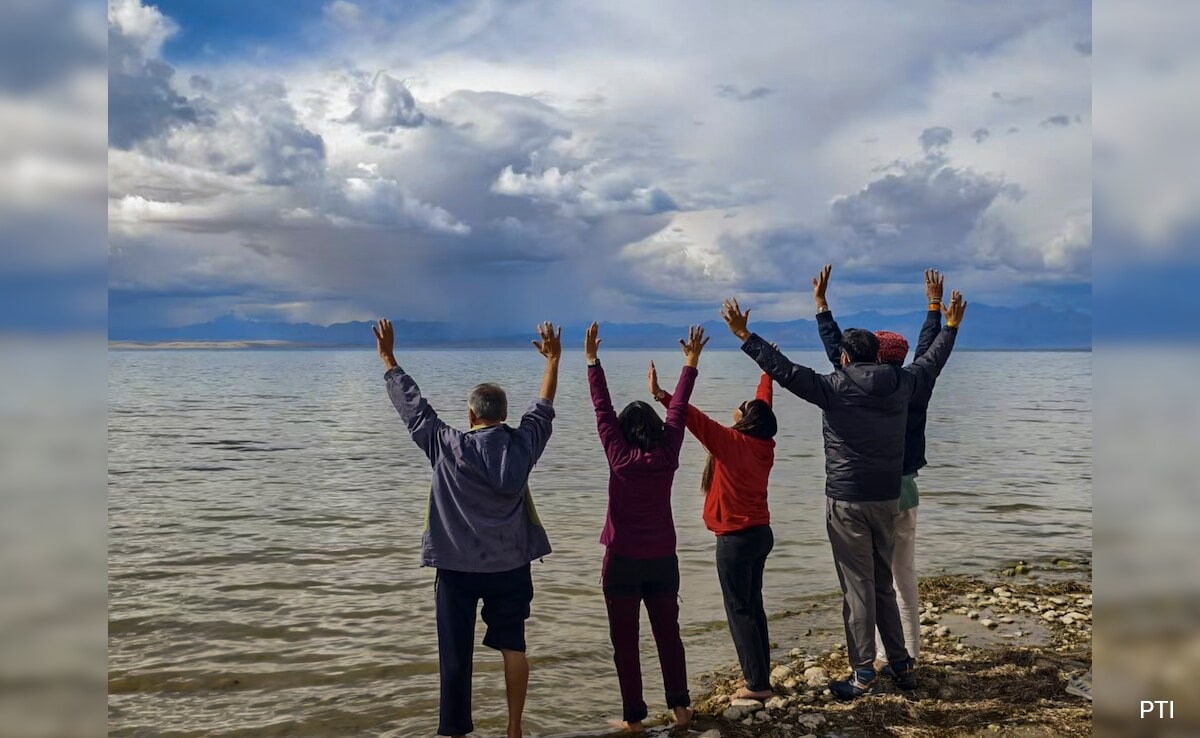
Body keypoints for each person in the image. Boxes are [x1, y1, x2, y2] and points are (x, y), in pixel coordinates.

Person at [719, 293, 966, 700]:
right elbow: (932, 359)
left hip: (847, 501)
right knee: (881, 582)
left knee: (857, 588)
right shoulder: (903, 382)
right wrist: (949, 325)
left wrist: (746, 335)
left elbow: (784, 371)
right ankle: (901, 665)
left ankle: (864, 672)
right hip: (888, 498)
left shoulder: (832, 386)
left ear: (846, 358)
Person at [373, 317, 562, 738]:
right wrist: (553, 361)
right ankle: (514, 728)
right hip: (511, 567)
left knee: (455, 657)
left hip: (457, 570)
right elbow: (544, 407)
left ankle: (455, 732)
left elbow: (414, 409)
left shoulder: (447, 446)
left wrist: (388, 358)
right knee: (514, 646)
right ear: (505, 415)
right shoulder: (523, 445)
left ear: (470, 414)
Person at [811, 265, 951, 672]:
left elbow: (837, 353)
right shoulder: (914, 383)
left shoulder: (857, 387)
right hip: (904, 489)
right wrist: (934, 308)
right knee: (900, 576)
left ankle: (888, 658)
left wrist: (822, 307)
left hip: (871, 491)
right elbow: (929, 352)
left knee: (874, 579)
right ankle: (905, 654)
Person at [585, 321, 706, 732]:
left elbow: (602, 410)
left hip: (621, 561)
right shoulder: (669, 451)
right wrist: (689, 363)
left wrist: (592, 362)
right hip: (662, 561)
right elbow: (678, 411)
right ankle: (682, 709)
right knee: (668, 636)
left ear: (621, 432)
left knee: (626, 643)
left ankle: (634, 719)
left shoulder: (618, 456)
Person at [648, 358, 779, 702]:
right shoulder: (764, 444)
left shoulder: (731, 443)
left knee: (740, 610)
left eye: (743, 407)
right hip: (760, 535)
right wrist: (767, 371)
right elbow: (764, 402)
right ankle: (760, 675)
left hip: (735, 540)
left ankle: (757, 684)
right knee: (753, 606)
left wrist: (662, 395)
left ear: (747, 419)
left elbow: (695, 420)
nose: (738, 407)